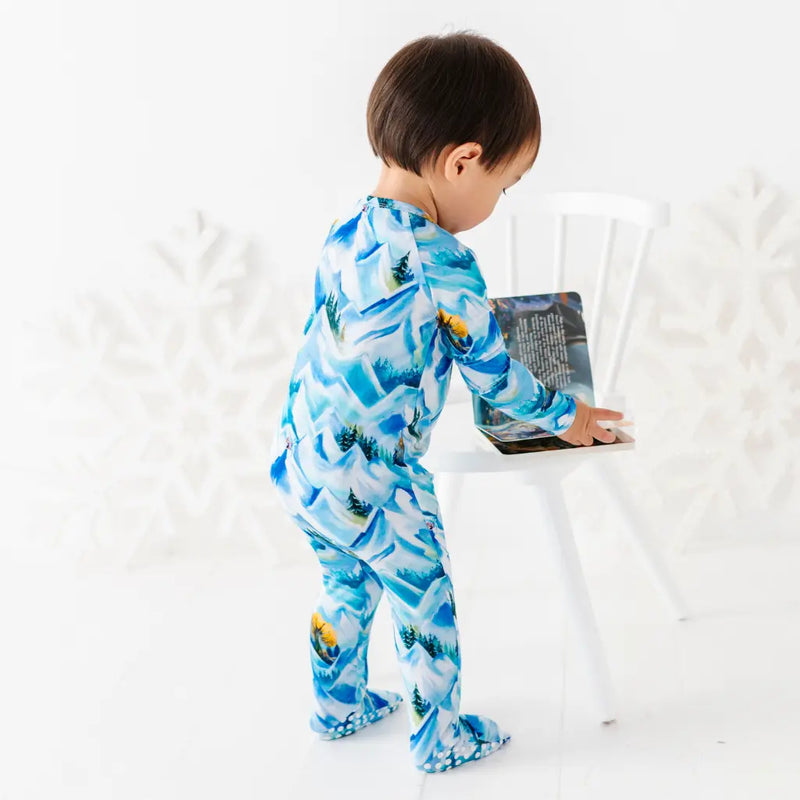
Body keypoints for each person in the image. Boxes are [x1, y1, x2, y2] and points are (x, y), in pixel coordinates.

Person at [269, 30, 624, 774]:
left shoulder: (345, 229)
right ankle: (441, 737)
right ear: (463, 161)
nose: (499, 200)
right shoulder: (441, 261)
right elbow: (493, 375)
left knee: (344, 583)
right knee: (423, 602)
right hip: (377, 477)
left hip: (302, 459)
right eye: (505, 184)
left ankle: (336, 706)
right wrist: (571, 417)